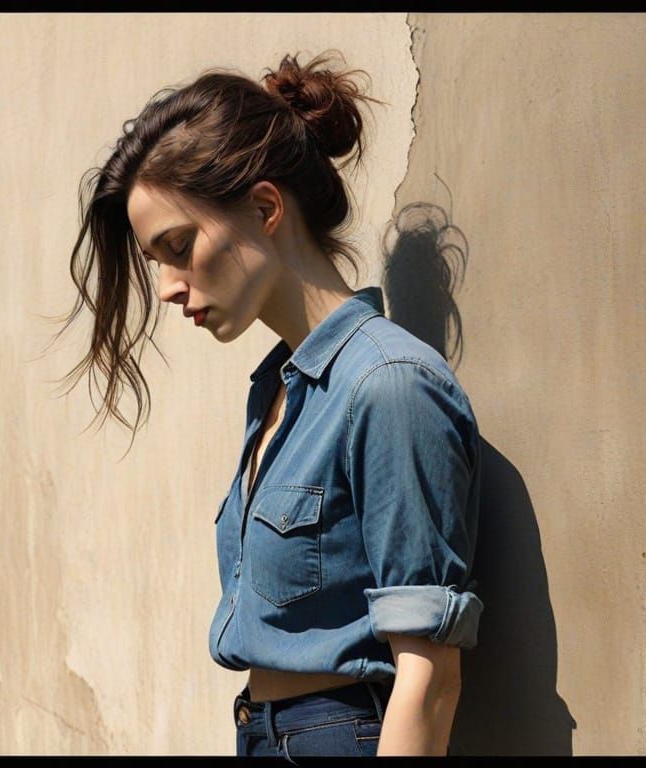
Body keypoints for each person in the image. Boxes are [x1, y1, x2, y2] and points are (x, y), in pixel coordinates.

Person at [57, 50, 483, 759]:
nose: (166, 286)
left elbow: (432, 677)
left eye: (178, 246)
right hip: (267, 734)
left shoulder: (387, 386)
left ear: (263, 208)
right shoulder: (279, 391)